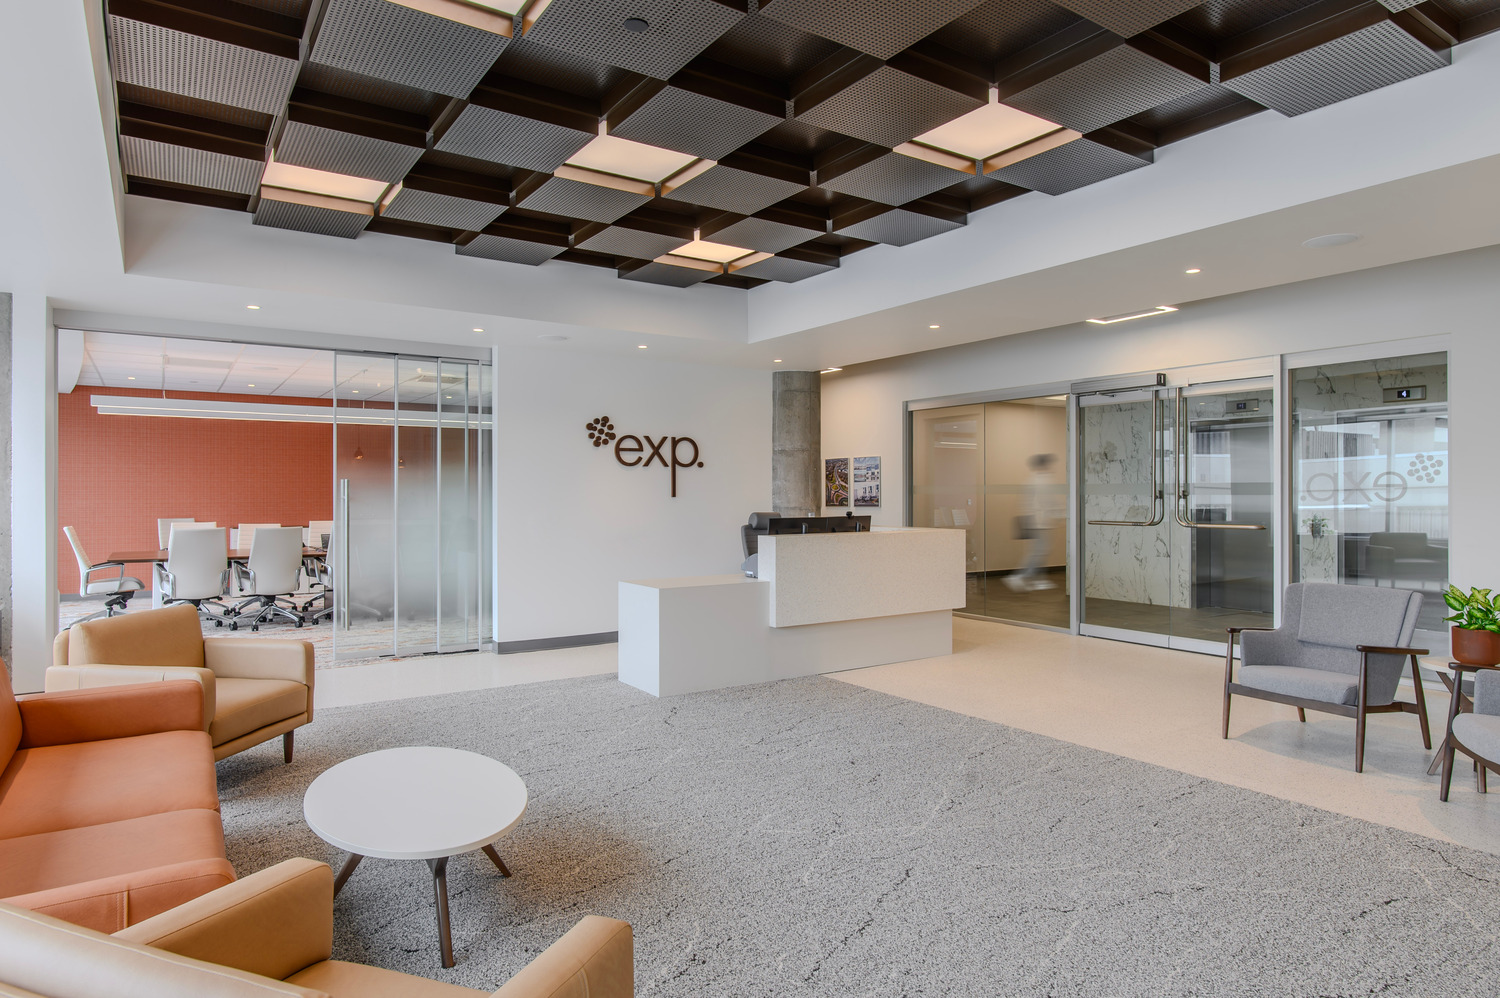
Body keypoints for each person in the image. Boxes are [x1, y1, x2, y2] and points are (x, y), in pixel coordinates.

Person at [1007, 453, 1061, 591]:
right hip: (1040, 522)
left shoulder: (1031, 480)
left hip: (1035, 520)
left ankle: (1036, 578)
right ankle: (1021, 576)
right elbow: (1049, 502)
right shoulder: (1044, 480)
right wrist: (1061, 514)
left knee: (1039, 550)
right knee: (1040, 550)